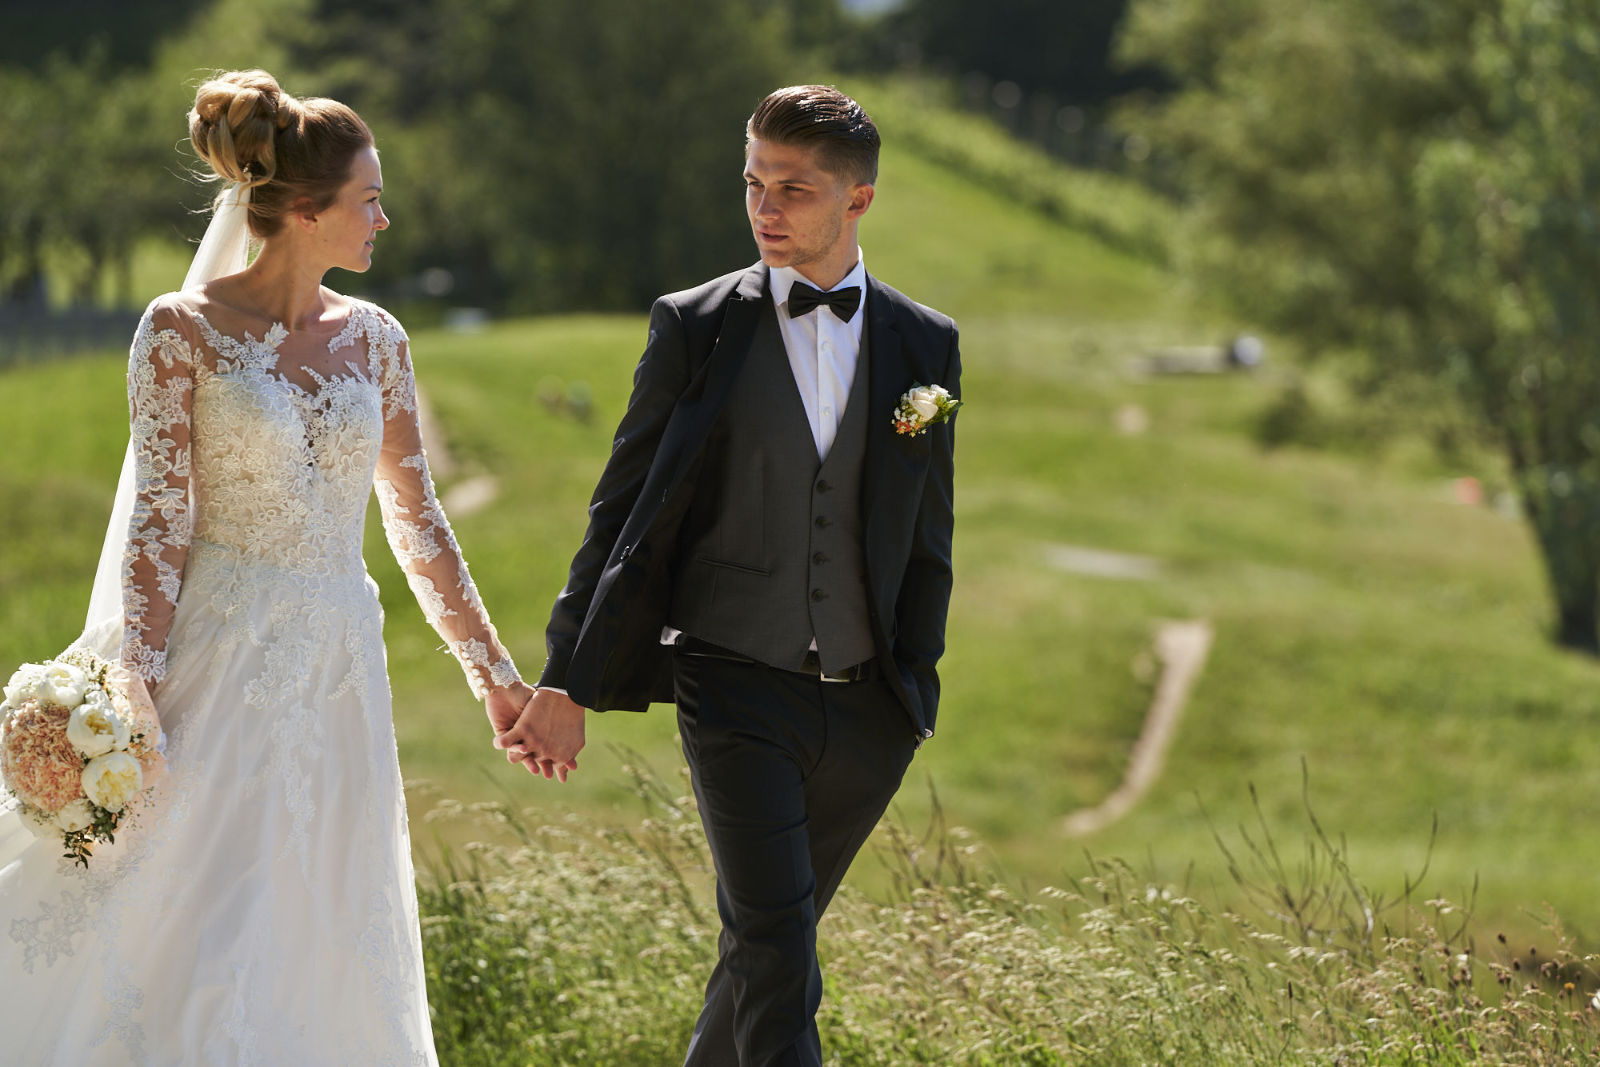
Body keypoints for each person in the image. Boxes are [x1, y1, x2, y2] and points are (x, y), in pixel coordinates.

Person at [0, 69, 538, 1063]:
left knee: (319, 916)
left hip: (337, 670)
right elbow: (159, 521)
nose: (384, 217)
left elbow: (420, 524)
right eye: (366, 200)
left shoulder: (376, 340)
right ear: (302, 210)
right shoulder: (178, 331)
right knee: (196, 904)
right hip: (216, 659)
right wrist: (135, 684)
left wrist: (494, 678)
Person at [495, 84, 962, 1066]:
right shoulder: (696, 324)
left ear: (858, 200)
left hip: (868, 704)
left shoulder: (926, 346)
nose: (764, 207)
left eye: (792, 188)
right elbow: (619, 509)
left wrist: (912, 685)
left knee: (760, 953)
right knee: (779, 947)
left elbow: (927, 528)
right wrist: (565, 673)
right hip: (733, 677)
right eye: (753, 181)